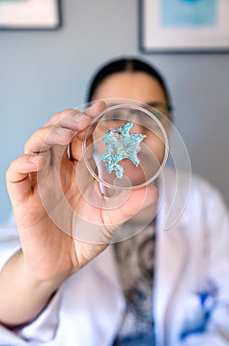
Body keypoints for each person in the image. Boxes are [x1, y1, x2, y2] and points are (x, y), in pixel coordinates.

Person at [0, 57, 228, 346]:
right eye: (116, 116)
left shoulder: (202, 201)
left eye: (152, 114)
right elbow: (5, 305)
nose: (134, 131)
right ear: (90, 128)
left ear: (169, 124)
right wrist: (38, 274)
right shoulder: (53, 196)